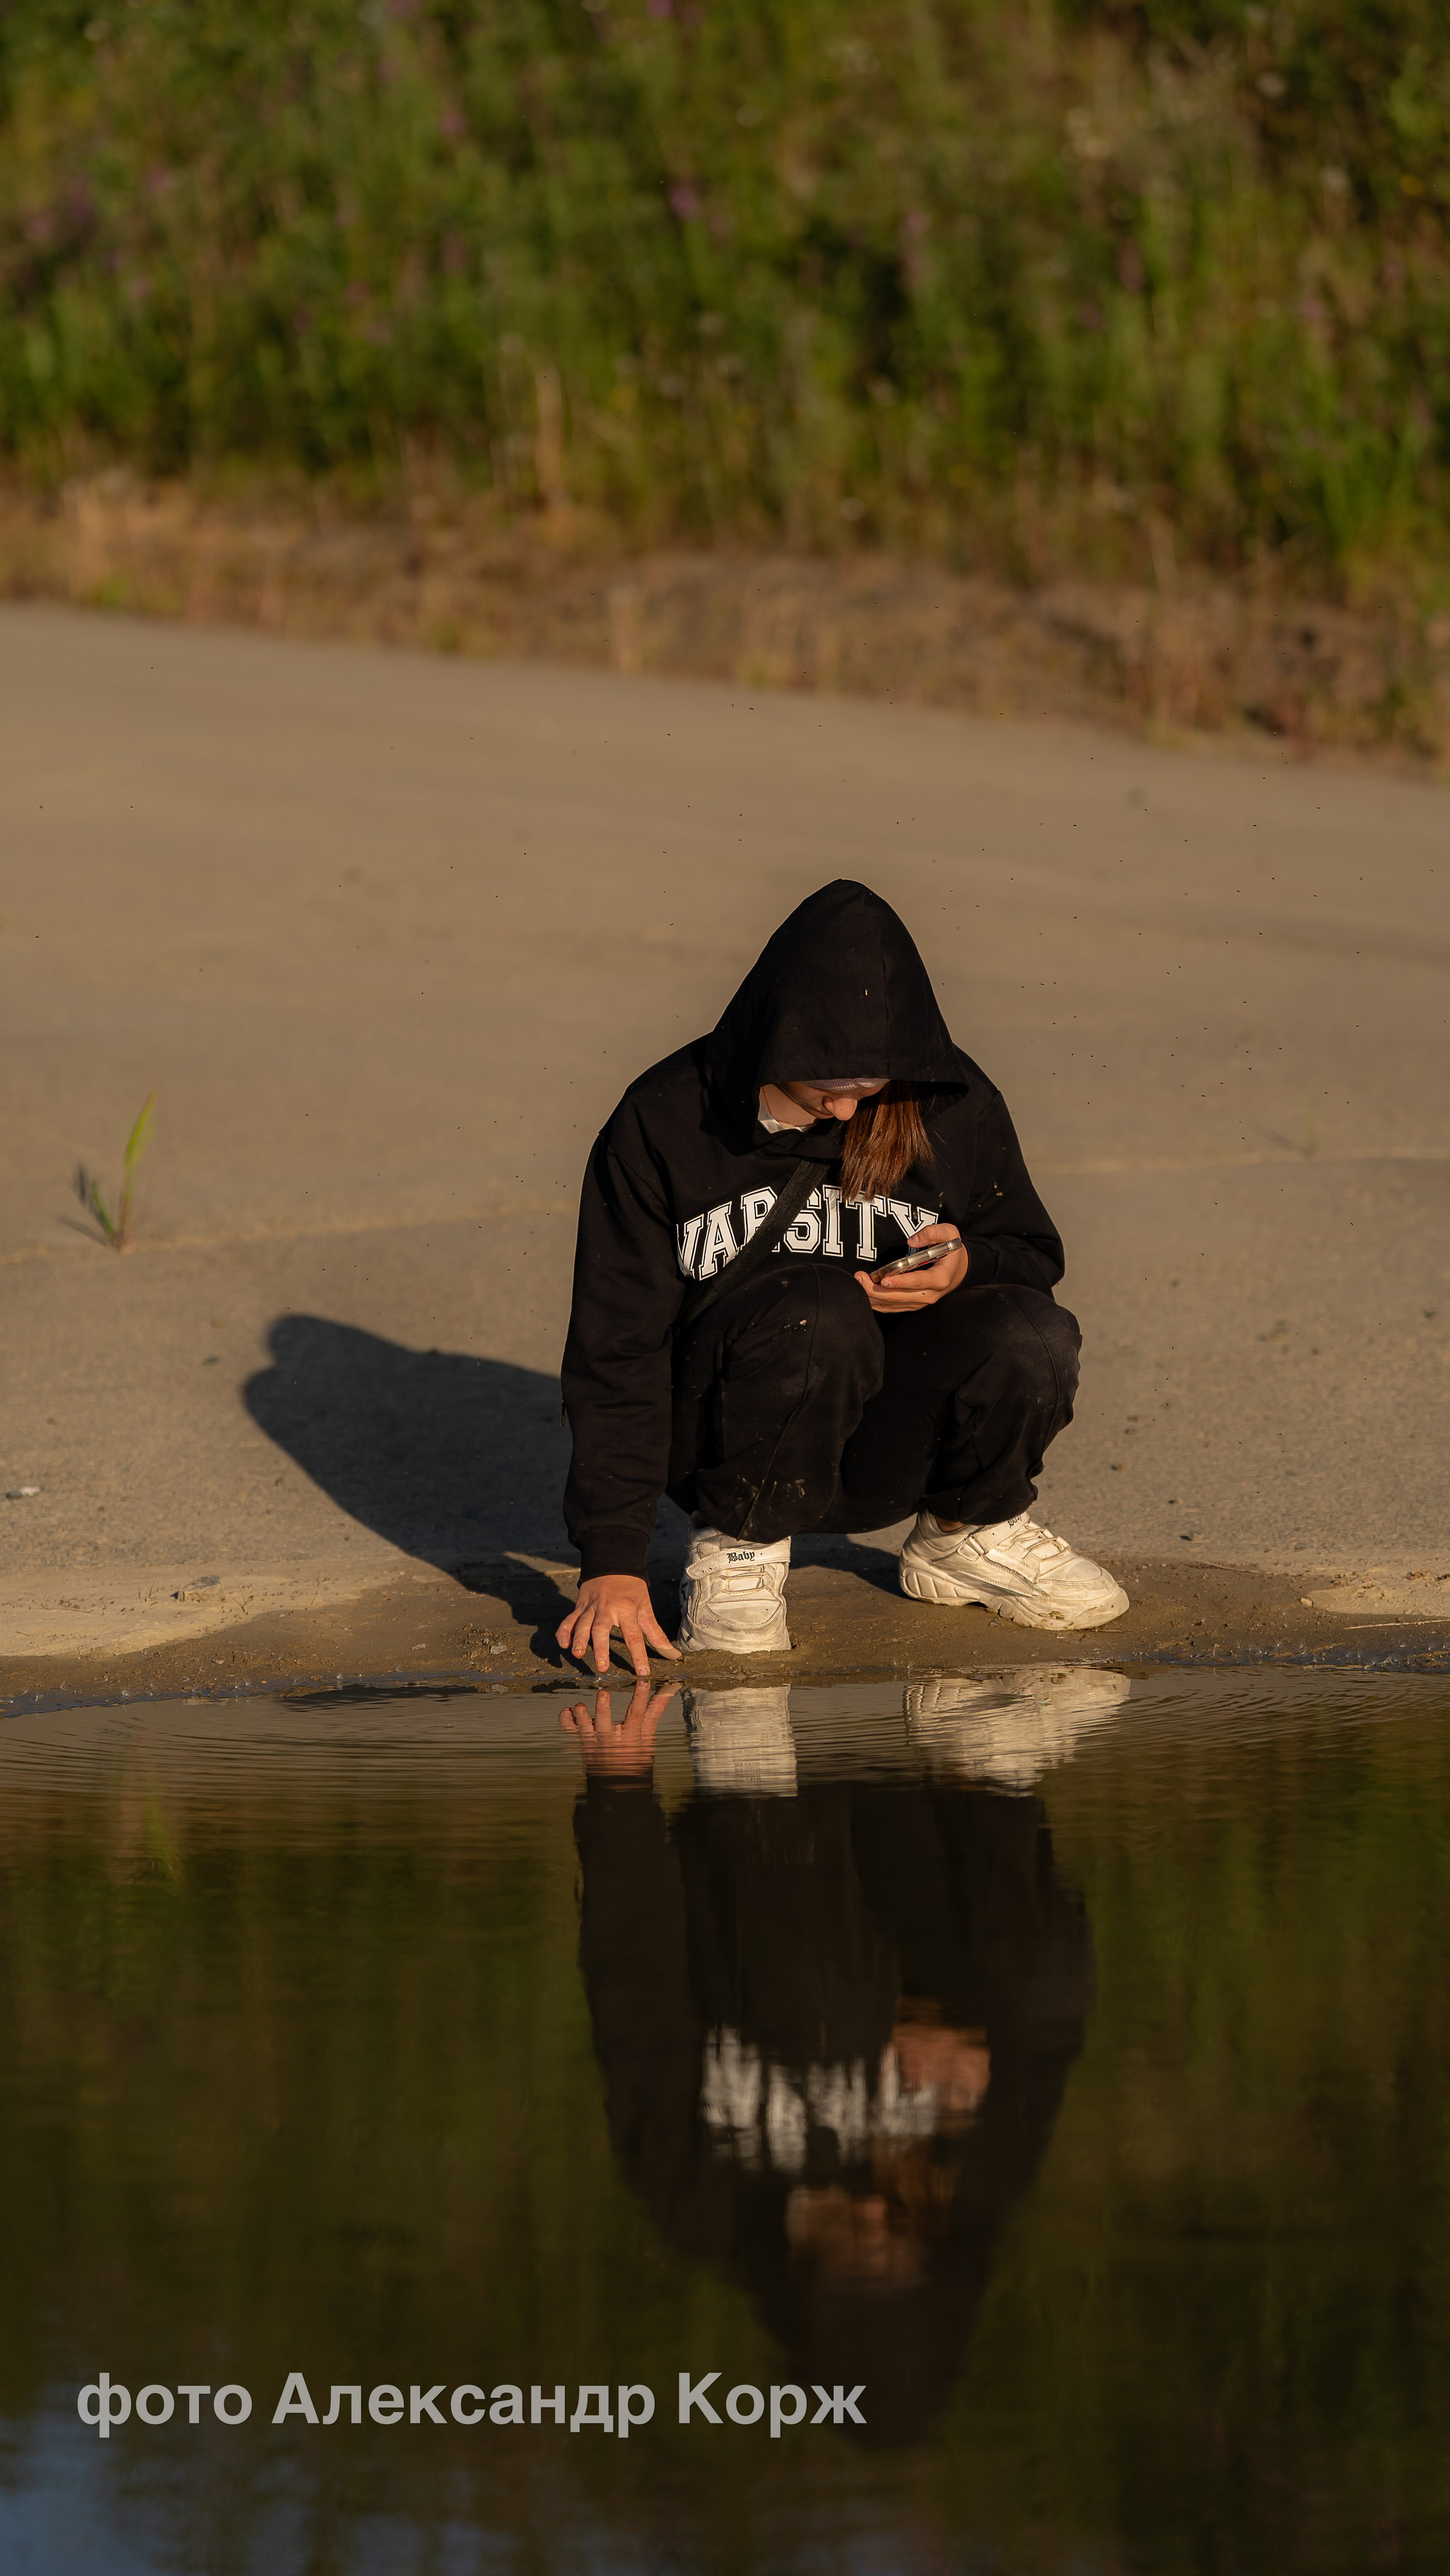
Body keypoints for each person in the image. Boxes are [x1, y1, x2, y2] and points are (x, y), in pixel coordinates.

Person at [556, 879, 1127, 1672]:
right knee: (816, 1305)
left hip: (887, 1437)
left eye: (871, 1092)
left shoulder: (948, 1102)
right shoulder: (664, 1119)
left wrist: (966, 1266)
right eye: (827, 1090)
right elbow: (615, 1346)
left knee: (1031, 1328)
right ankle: (738, 1556)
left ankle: (965, 1535)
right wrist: (612, 1560)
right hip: (724, 1443)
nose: (849, 1116)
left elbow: (1031, 1256)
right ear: (775, 1043)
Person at [560, 1672, 1105, 2445]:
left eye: (857, 2257)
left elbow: (634, 1984)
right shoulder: (984, 2174)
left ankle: (754, 1755)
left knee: (824, 2027)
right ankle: (981, 1756)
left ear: (801, 2284)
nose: (879, 2219)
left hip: (756, 1840)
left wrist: (618, 1790)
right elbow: (1046, 2018)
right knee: (1045, 1985)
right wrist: (968, 2026)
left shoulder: (702, 2202)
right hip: (908, 1831)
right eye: (902, 2248)